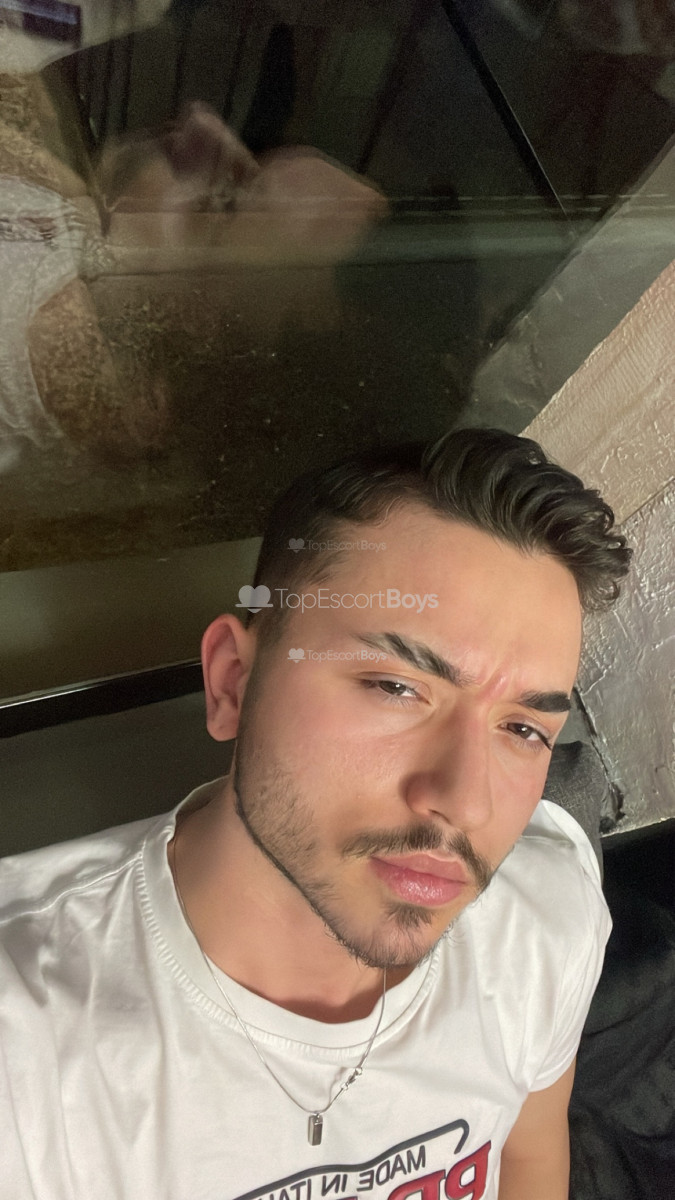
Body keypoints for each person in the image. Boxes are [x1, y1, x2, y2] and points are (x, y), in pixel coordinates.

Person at [0, 427, 632, 1199]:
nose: (466, 803)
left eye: (523, 729)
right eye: (396, 687)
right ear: (233, 683)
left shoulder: (543, 916)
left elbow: (526, 1158)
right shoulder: (27, 1048)